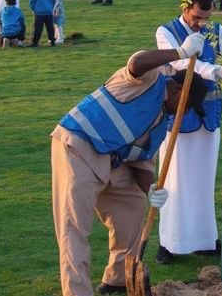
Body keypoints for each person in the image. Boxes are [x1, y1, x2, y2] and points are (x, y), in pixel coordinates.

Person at [50, 37, 210, 296]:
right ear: (180, 92)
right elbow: (137, 61)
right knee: (75, 228)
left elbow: (141, 162)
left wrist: (153, 190)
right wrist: (179, 52)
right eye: (189, 106)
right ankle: (77, 292)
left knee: (134, 202)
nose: (186, 112)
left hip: (111, 161)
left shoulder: (161, 125)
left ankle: (118, 278)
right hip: (77, 146)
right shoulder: (148, 80)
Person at [153, 0, 222, 264]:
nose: (200, 23)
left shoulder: (215, 29)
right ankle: (168, 243)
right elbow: (178, 62)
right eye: (196, 17)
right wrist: (216, 71)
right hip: (180, 114)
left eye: (205, 18)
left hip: (210, 115)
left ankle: (206, 240)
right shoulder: (166, 31)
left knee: (205, 181)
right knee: (174, 178)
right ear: (185, 9)